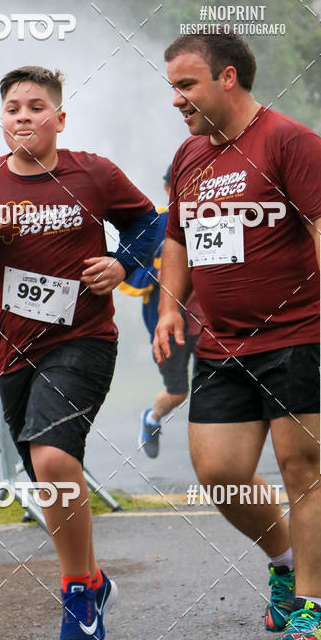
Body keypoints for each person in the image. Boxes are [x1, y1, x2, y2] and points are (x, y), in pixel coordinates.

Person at [0, 66, 156, 640]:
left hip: (82, 339)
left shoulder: (93, 173)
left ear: (60, 117)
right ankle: (92, 577)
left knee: (53, 460)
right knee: (44, 475)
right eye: (13, 108)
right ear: (1, 119)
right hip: (12, 355)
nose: (24, 116)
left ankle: (77, 588)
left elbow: (151, 224)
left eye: (36, 106)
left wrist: (122, 264)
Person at [154, 32, 321, 640]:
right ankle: (284, 560)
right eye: (172, 89)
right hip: (220, 346)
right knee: (220, 474)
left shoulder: (291, 142)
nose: (177, 100)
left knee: (303, 469)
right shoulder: (189, 158)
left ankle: (311, 609)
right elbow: (179, 241)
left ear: (229, 79)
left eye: (186, 86)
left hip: (296, 335)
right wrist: (168, 308)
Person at [119, 165, 204, 457]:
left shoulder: (216, 219)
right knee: (178, 393)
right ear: (169, 189)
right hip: (167, 325)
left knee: (216, 389)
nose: (193, 194)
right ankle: (151, 418)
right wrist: (163, 265)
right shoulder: (152, 224)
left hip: (211, 324)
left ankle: (216, 457)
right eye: (184, 187)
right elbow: (127, 280)